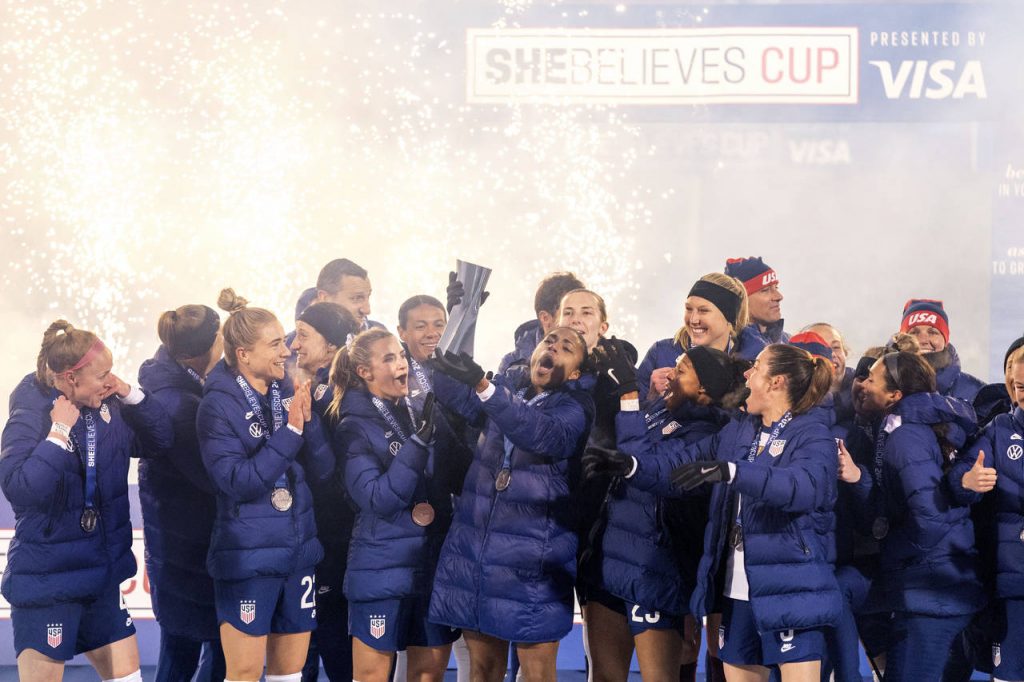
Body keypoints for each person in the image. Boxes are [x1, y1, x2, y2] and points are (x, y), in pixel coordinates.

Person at [586, 343, 840, 682]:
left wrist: (733, 471)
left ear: (776, 382)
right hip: (737, 589)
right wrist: (630, 465)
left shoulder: (812, 434)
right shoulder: (739, 430)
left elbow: (802, 487)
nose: (746, 373)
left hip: (790, 589)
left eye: (756, 368)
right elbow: (676, 467)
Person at [1, 320, 173, 682]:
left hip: (101, 577)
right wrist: (58, 433)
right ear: (70, 377)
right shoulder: (32, 412)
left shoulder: (108, 404)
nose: (109, 381)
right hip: (49, 581)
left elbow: (159, 442)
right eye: (102, 375)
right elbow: (21, 488)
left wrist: (130, 394)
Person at [428, 327, 595, 682]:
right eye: (549, 341)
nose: (554, 347)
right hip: (478, 551)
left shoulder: (576, 407)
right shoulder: (507, 388)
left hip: (532, 560)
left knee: (537, 674)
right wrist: (462, 319)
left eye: (566, 347)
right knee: (483, 670)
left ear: (576, 373)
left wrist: (484, 385)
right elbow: (448, 389)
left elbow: (537, 432)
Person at [581, 345, 748, 682]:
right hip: (610, 564)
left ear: (703, 388)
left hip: (656, 572)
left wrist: (629, 394)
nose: (670, 374)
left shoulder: (710, 432)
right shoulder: (660, 410)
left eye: (682, 370)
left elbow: (653, 470)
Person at [196, 289, 335, 682]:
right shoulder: (216, 406)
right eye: (275, 344)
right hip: (248, 558)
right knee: (243, 672)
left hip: (298, 552)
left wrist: (309, 420)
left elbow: (324, 470)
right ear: (243, 354)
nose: (287, 351)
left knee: (289, 674)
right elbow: (238, 482)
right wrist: (291, 432)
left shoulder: (286, 390)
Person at [837, 351, 984, 681]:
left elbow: (929, 517)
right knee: (842, 588)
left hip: (931, 591)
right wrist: (858, 478)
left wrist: (897, 550)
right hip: (934, 585)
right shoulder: (904, 427)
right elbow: (900, 502)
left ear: (895, 395)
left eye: (872, 379)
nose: (862, 384)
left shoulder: (905, 436)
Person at [327, 329, 463, 682]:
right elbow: (377, 498)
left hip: (432, 563)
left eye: (401, 355)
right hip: (381, 567)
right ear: (364, 372)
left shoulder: (421, 411)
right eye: (389, 358)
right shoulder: (352, 427)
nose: (402, 363)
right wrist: (418, 443)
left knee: (428, 674)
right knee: (371, 676)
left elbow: (458, 473)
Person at [138, 305, 227, 682]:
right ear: (202, 349)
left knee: (183, 648)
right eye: (222, 336)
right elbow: (216, 477)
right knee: (211, 649)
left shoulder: (175, 385)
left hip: (181, 545)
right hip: (190, 549)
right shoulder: (180, 405)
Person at [288, 301, 359, 682]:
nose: (293, 344)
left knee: (334, 640)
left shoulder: (342, 397)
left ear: (331, 346)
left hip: (335, 537)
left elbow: (327, 474)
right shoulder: (314, 388)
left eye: (303, 335)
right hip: (313, 533)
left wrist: (307, 419)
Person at [947, 343, 1024, 682]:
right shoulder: (999, 430)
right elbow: (960, 476)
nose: (1020, 393)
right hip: (1014, 581)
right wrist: (967, 480)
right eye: (1018, 386)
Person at [636, 273, 749, 403]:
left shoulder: (750, 364)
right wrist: (652, 398)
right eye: (689, 309)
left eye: (703, 311)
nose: (693, 320)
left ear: (729, 318)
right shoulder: (661, 353)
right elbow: (632, 411)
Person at [897, 299, 983, 404]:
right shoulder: (881, 387)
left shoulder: (977, 393)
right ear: (901, 341)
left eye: (933, 332)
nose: (923, 340)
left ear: (945, 341)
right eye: (914, 332)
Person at [497, 272, 585, 374]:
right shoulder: (511, 365)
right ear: (545, 318)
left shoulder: (596, 359)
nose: (579, 320)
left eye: (585, 312)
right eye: (568, 313)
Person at [723, 257, 788, 362]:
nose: (779, 296)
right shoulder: (742, 351)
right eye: (765, 290)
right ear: (741, 300)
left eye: (776, 287)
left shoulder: (786, 339)